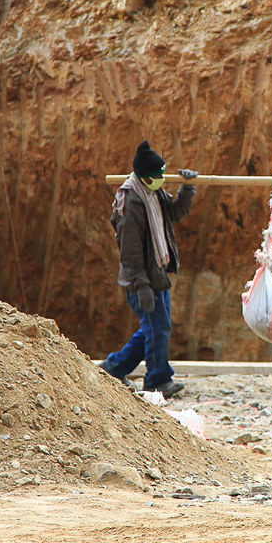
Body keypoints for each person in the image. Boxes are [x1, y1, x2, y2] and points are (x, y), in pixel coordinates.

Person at [100, 140, 198, 399]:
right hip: (142, 280)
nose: (162, 179)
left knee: (152, 329)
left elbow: (175, 213)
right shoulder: (131, 203)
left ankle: (113, 368)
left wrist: (187, 189)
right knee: (158, 328)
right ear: (144, 177)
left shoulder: (154, 192)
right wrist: (141, 284)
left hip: (158, 275)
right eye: (158, 176)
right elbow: (130, 252)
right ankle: (157, 380)